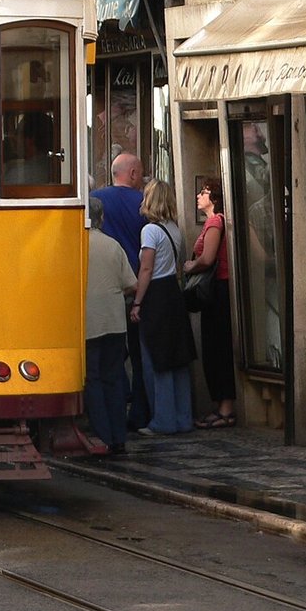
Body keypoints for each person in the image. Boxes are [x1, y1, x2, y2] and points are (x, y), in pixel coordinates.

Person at [130, 179, 196, 436]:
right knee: (177, 358)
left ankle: (163, 420)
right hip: (173, 292)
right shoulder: (175, 229)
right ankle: (183, 417)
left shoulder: (150, 231)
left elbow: (146, 268)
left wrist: (137, 301)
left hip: (155, 294)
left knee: (156, 360)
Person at [94, 152, 150, 431]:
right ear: (131, 174)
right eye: (139, 173)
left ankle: (105, 419)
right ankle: (138, 412)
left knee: (108, 359)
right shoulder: (142, 203)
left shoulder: (96, 199)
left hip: (105, 289)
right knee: (139, 355)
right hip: (137, 285)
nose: (141, 178)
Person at [85, 197, 136, 455]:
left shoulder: (76, 244)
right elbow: (131, 283)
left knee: (93, 379)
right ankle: (119, 438)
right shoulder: (113, 245)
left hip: (88, 322)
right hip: (115, 322)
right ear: (101, 218)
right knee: (115, 378)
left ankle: (101, 437)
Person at [185, 179, 235, 429]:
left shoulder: (216, 221)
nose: (198, 195)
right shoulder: (216, 221)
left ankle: (225, 409)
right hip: (219, 290)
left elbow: (207, 259)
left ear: (213, 197)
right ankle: (221, 406)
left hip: (217, 290)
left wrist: (189, 266)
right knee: (215, 348)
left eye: (203, 192)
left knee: (217, 348)